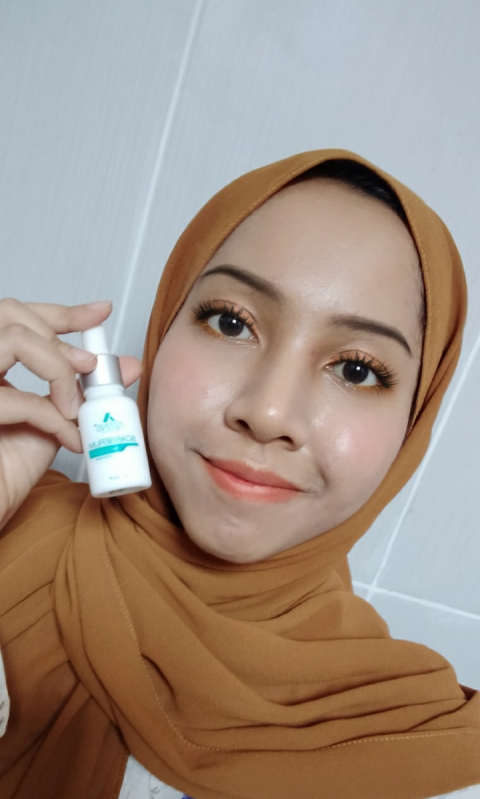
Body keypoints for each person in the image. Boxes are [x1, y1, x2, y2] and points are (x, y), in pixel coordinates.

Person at [0, 148, 479, 799]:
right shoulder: (13, 528)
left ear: (414, 422)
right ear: (166, 323)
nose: (268, 412)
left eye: (357, 369)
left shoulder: (424, 751)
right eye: (231, 323)